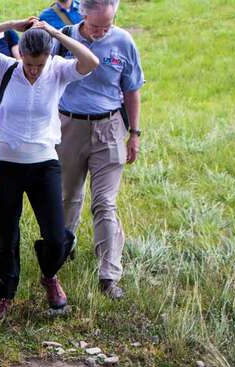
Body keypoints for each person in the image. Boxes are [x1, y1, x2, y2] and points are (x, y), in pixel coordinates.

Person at [0, 19, 99, 319]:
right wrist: (12, 25)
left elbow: (91, 61)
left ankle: (49, 275)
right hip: (4, 164)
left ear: (48, 57)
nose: (33, 69)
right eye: (29, 63)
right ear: (20, 54)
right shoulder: (6, 68)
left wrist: (53, 33)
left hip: (44, 163)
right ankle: (4, 295)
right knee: (5, 234)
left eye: (39, 63)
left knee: (55, 235)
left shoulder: (59, 70)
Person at [56, 0, 144, 299]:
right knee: (68, 196)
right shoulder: (65, 38)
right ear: (82, 14)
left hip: (109, 127)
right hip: (69, 126)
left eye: (106, 26)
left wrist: (134, 133)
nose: (100, 33)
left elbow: (132, 90)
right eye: (95, 26)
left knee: (105, 202)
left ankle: (109, 274)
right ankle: (63, 248)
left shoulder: (123, 42)